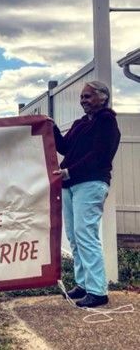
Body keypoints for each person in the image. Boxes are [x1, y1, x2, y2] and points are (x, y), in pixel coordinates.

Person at [52, 81, 120, 308]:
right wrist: (50, 126)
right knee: (74, 235)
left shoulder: (107, 122)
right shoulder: (80, 124)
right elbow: (63, 148)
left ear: (103, 97)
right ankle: (82, 284)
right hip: (71, 185)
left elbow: (100, 155)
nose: (83, 101)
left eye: (88, 96)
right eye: (82, 97)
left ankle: (98, 291)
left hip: (90, 184)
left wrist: (70, 171)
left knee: (86, 235)